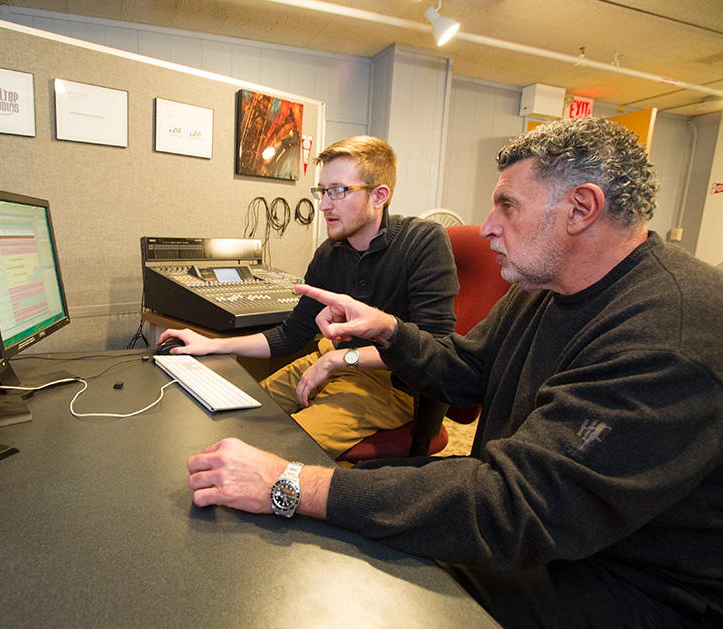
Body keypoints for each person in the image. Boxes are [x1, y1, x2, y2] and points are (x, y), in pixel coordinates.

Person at [186, 117, 723, 627]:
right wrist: (388, 332)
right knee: (359, 510)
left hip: (633, 584)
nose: (486, 228)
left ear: (580, 208)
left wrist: (288, 484)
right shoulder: (548, 290)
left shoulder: (670, 332)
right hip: (548, 528)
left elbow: (517, 505)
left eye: (506, 206)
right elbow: (467, 369)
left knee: (384, 587)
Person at [158, 136, 459, 459]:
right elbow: (291, 334)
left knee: (272, 455)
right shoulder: (329, 253)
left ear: (379, 195)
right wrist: (212, 344)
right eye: (322, 192)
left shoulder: (423, 241)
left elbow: (434, 345)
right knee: (237, 421)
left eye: (339, 191)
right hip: (328, 361)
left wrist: (342, 358)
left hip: (389, 382)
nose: (325, 205)